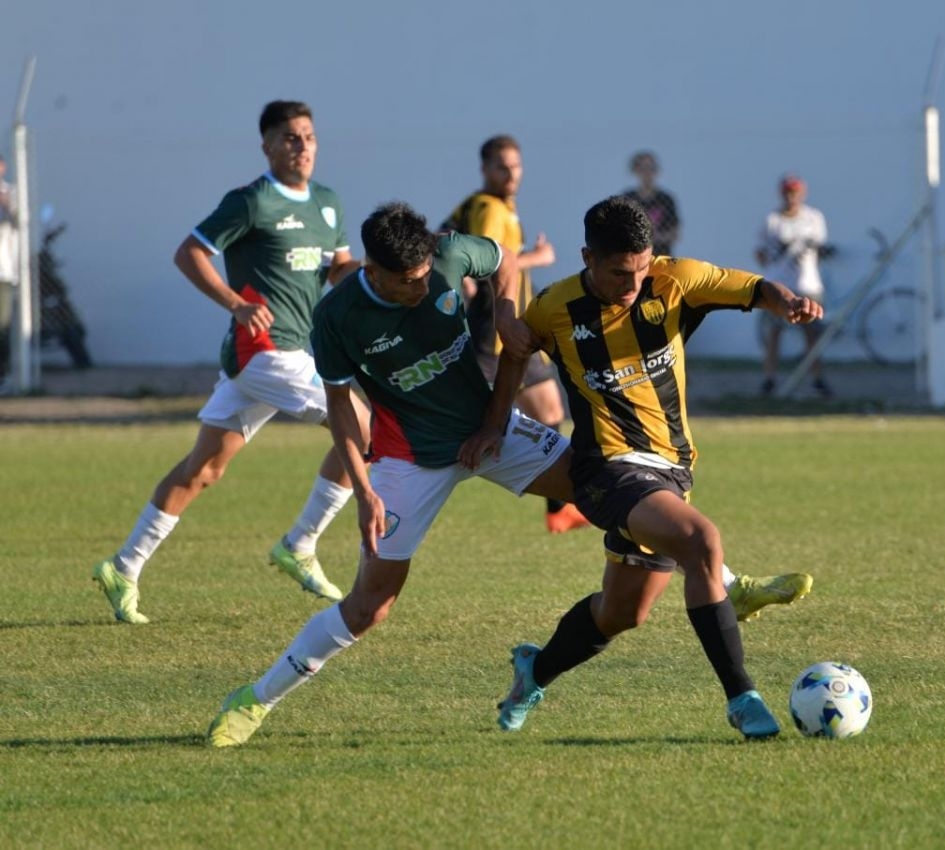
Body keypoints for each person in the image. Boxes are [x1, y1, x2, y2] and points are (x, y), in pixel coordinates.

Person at [204, 202, 811, 747]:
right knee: (370, 606)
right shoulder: (338, 317)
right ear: (374, 269)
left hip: (487, 432)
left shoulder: (446, 255)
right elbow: (339, 405)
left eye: (426, 278)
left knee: (609, 484)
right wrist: (362, 490)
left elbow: (504, 261)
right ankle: (254, 701)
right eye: (406, 283)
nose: (422, 288)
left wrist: (503, 311)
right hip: (410, 458)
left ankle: (720, 580)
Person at [467, 195, 823, 740]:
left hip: (671, 469)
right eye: (617, 273)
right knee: (701, 542)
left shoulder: (675, 280)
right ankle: (742, 697)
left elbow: (753, 289)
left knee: (622, 613)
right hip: (605, 467)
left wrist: (786, 302)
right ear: (588, 258)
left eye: (639, 269)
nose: (631, 284)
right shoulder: (556, 307)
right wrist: (495, 424)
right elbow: (515, 351)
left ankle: (533, 671)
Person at [90, 100, 370, 624]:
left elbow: (338, 270)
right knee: (361, 423)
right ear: (266, 146)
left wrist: (380, 277)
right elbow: (189, 252)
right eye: (290, 137)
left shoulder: (328, 204)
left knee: (205, 469)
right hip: (262, 352)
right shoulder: (251, 202)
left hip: (289, 352)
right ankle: (301, 542)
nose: (302, 145)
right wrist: (235, 303)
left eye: (308, 135)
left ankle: (123, 566)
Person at [443, 135, 589, 534]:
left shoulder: (491, 206)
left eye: (516, 166)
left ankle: (559, 508)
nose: (511, 174)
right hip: (494, 331)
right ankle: (408, 474)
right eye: (502, 167)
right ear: (485, 169)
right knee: (463, 419)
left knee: (550, 410)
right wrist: (538, 258)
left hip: (518, 331)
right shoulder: (489, 208)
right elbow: (492, 264)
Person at [754, 174, 832, 398]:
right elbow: (760, 251)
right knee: (774, 332)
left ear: (802, 194)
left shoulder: (813, 218)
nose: (792, 197)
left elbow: (819, 246)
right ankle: (769, 379)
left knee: (812, 333)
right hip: (779, 284)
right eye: (788, 192)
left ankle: (817, 378)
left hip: (807, 284)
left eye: (796, 193)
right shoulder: (773, 220)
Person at [620, 150, 681, 256]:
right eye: (643, 168)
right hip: (634, 259)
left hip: (661, 259)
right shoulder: (628, 199)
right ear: (635, 170)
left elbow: (676, 234)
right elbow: (619, 230)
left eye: (651, 168)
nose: (647, 172)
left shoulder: (666, 199)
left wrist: (658, 237)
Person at [0, 155, 18, 376]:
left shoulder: (10, 193)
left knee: (2, 326)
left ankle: (3, 373)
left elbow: (20, 219)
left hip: (3, 270)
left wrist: (6, 203)